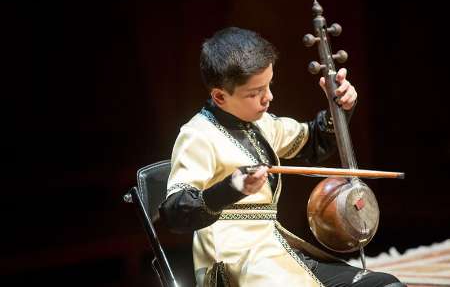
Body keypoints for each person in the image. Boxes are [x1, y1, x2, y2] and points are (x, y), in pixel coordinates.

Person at [159, 27, 403, 287]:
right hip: (235, 261)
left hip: (275, 251)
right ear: (220, 96)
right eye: (254, 93)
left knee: (387, 285)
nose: (268, 98)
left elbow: (313, 141)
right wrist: (231, 188)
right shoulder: (197, 135)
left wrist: (339, 107)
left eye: (268, 86)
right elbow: (175, 212)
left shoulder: (262, 123)